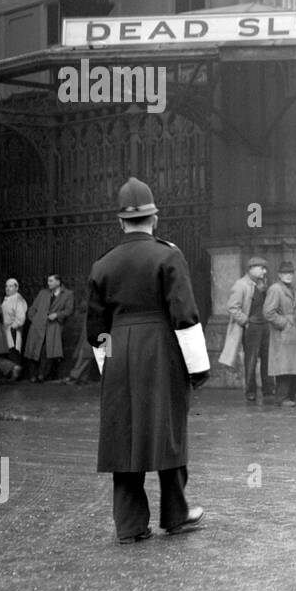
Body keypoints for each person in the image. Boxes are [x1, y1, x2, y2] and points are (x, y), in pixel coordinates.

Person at [88, 177, 208, 544]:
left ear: (120, 222)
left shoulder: (102, 265)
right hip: (162, 350)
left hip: (119, 351)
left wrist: (110, 365)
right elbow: (184, 315)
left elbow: (96, 330)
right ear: (154, 219)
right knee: (168, 429)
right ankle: (176, 513)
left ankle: (129, 524)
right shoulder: (168, 255)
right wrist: (198, 367)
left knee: (123, 434)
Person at [219, 256, 272, 402]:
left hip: (264, 325)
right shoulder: (240, 285)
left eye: (264, 268)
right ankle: (250, 391)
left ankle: (268, 389)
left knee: (268, 358)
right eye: (261, 268)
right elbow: (232, 307)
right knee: (251, 360)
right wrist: (245, 321)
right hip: (252, 327)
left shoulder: (262, 283)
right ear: (251, 269)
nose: (264, 271)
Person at [264, 261, 296, 406]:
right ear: (279, 275)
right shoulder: (276, 289)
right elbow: (268, 312)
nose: (288, 276)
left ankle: (290, 396)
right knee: (284, 366)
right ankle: (282, 398)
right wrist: (284, 324)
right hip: (283, 334)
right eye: (285, 273)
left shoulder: (291, 289)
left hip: (294, 332)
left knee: (294, 366)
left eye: (290, 273)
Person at [25, 274, 75, 382]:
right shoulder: (43, 293)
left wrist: (57, 315)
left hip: (53, 327)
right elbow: (33, 308)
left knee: (47, 351)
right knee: (33, 349)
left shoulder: (67, 294)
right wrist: (34, 320)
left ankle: (41, 375)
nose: (49, 283)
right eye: (48, 281)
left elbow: (69, 310)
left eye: (51, 281)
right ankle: (33, 375)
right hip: (38, 326)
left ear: (58, 282)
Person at [1, 278, 28, 376]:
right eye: (6, 286)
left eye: (11, 286)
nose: (8, 288)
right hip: (6, 329)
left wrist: (13, 326)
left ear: (16, 288)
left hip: (13, 330)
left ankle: (16, 374)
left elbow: (21, 317)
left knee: (14, 351)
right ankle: (12, 373)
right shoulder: (7, 299)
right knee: (10, 351)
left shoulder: (18, 299)